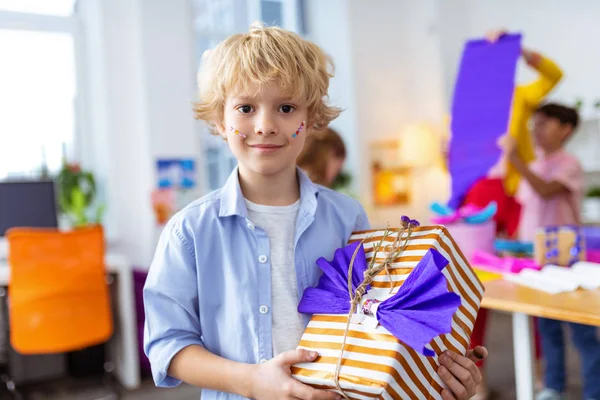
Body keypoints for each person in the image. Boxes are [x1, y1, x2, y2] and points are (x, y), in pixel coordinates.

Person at [143, 23, 488, 400]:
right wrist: (251, 381)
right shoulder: (189, 230)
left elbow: (374, 322)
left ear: (311, 119)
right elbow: (168, 344)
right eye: (245, 108)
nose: (265, 125)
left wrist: (436, 372)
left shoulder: (347, 217)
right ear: (220, 121)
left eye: (286, 108)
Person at [465, 29, 563, 400]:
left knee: (529, 280)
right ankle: (476, 380)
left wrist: (520, 50)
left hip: (513, 195)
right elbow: (458, 159)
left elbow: (554, 76)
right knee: (474, 289)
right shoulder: (465, 105)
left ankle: (541, 376)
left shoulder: (520, 95)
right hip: (477, 195)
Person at [504, 103, 600, 400]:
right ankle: (554, 387)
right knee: (547, 329)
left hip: (568, 260)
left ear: (566, 129)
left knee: (582, 333)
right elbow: (529, 209)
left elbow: (546, 190)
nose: (536, 129)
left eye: (544, 123)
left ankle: (594, 391)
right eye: (535, 123)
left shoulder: (568, 163)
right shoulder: (533, 166)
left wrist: (516, 160)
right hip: (538, 260)